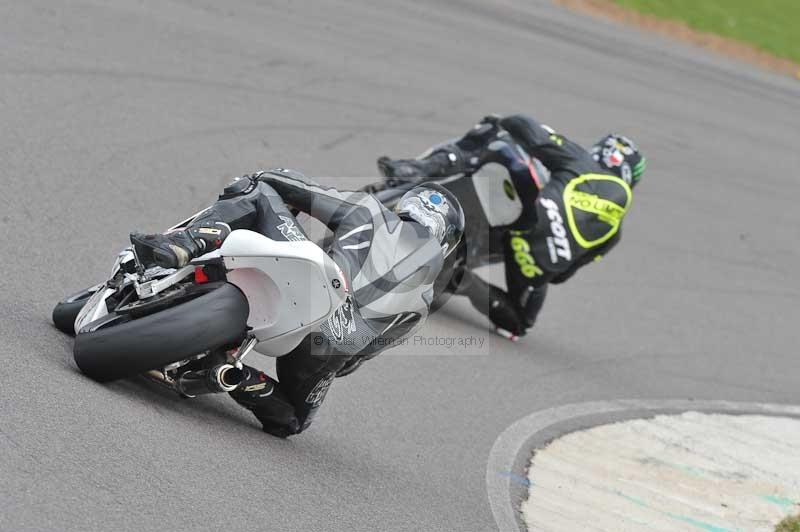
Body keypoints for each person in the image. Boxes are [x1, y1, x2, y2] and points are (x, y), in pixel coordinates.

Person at [130, 169, 464, 437]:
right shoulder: (422, 302)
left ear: (406, 206)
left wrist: (268, 185)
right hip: (328, 345)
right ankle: (232, 374)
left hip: (307, 282)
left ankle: (186, 244)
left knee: (258, 190)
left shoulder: (370, 209)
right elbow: (357, 360)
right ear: (445, 242)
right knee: (291, 421)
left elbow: (288, 184)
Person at [377, 114, 646, 340]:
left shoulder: (582, 163)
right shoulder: (613, 234)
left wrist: (504, 120)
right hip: (529, 263)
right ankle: (463, 279)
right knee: (520, 322)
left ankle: (415, 171)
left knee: (496, 133)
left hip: (524, 216)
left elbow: (530, 131)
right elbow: (561, 276)